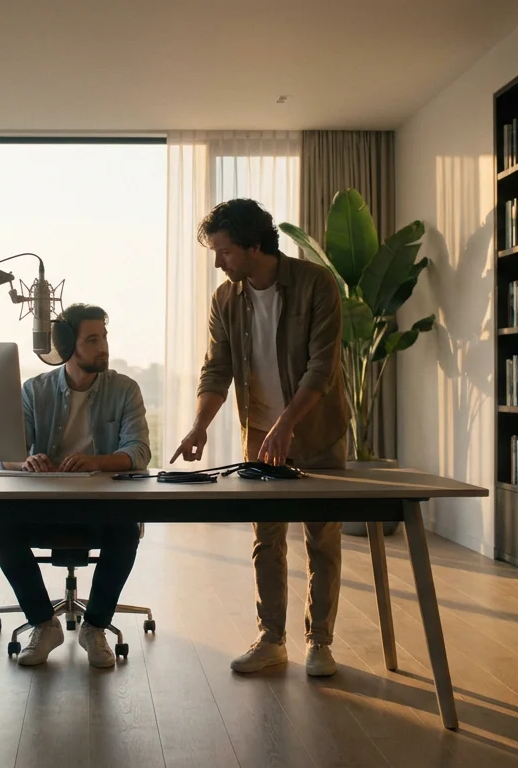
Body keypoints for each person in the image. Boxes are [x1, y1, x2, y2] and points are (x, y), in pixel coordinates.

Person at [170, 198, 350, 678]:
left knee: (321, 540)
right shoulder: (226, 299)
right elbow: (217, 369)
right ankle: (272, 639)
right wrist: (200, 425)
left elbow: (322, 367)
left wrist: (288, 423)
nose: (217, 262)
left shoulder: (316, 284)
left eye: (224, 252)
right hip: (260, 438)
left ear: (254, 246)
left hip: (316, 431)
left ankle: (321, 643)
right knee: (266, 540)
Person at [0, 303, 151, 668]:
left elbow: (138, 451)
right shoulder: (34, 391)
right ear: (68, 347)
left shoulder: (125, 390)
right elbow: (7, 454)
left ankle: (94, 627)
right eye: (92, 339)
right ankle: (43, 623)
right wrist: (25, 461)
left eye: (104, 338)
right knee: (3, 532)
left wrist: (95, 462)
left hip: (101, 506)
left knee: (125, 532)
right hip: (45, 505)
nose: (103, 347)